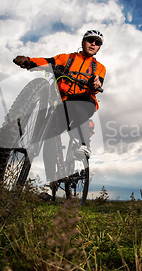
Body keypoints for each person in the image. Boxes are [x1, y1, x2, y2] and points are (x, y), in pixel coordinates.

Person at [13, 30, 106, 181]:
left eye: (97, 43)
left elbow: (99, 83)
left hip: (85, 101)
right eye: (90, 40)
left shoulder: (99, 67)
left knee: (77, 105)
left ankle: (84, 146)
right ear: (83, 42)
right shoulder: (66, 58)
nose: (93, 44)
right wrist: (28, 60)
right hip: (62, 104)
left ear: (99, 48)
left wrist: (96, 83)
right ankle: (50, 183)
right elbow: (47, 61)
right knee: (49, 140)